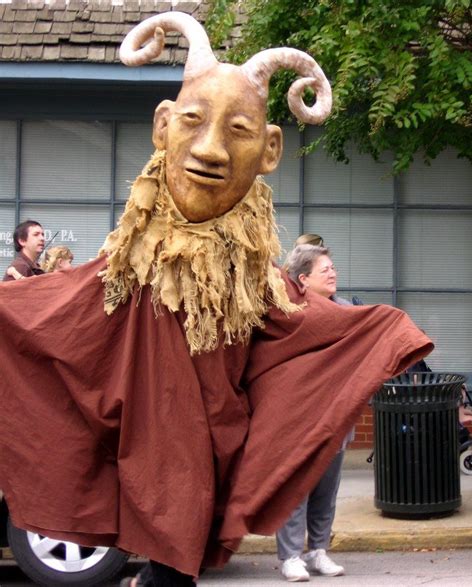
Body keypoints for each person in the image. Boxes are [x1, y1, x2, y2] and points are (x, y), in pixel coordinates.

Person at [0, 12, 433, 587]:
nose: (210, 149)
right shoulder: (132, 259)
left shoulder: (254, 272)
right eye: (193, 121)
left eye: (239, 130)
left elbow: (299, 324)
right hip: (154, 464)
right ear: (163, 128)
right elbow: (61, 312)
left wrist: (379, 330)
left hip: (209, 459)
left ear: (270, 149)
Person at [276, 244, 350, 581]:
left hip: (337, 417)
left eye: (333, 268)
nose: (333, 273)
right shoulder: (286, 314)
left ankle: (318, 550)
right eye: (326, 270)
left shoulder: (348, 311)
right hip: (299, 419)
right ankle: (291, 556)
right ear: (303, 278)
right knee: (296, 489)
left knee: (325, 490)